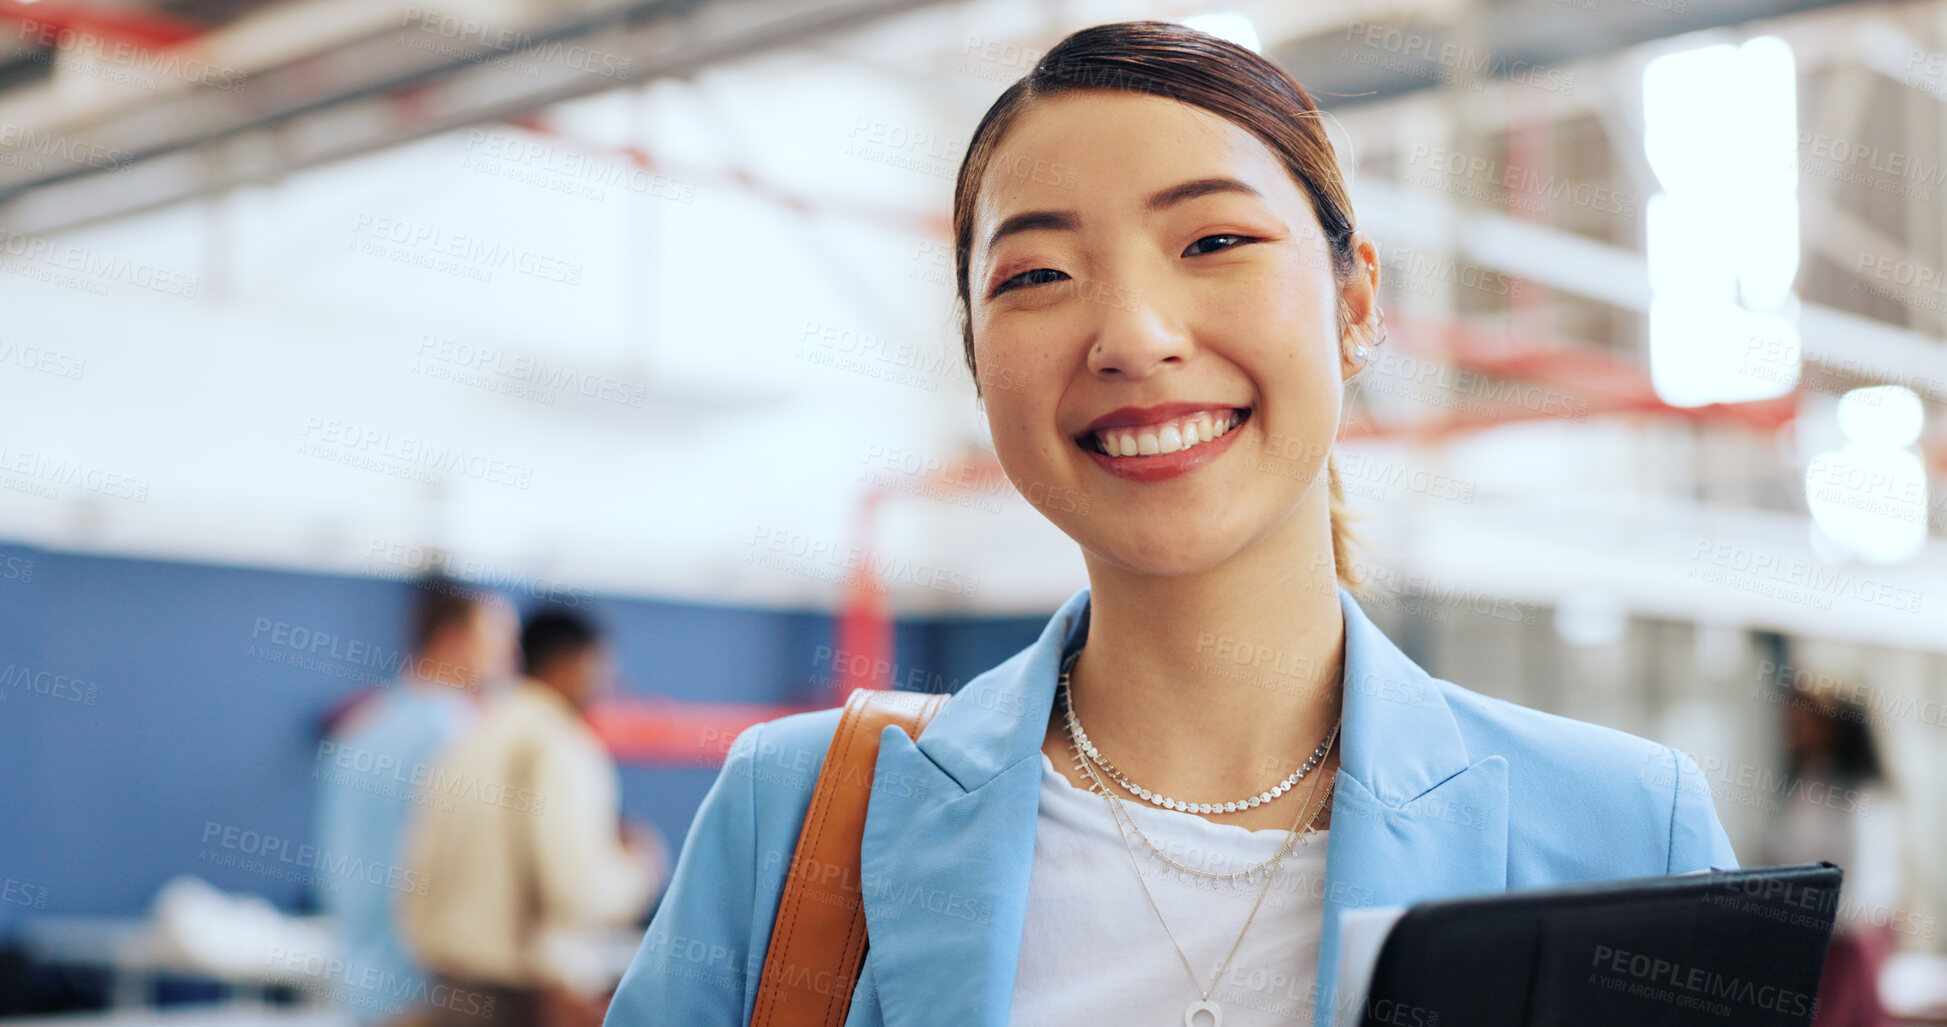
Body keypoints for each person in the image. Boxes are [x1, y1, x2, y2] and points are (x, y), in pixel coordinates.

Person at [606, 21, 1737, 1027]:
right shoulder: (798, 819)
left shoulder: (1628, 835)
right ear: (975, 355)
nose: (1133, 336)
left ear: (1355, 305)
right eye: (1038, 273)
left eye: (1213, 243)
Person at [401, 608, 664, 1027]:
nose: (606, 688)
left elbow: (416, 875)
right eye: (602, 672)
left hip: (451, 991)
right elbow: (577, 891)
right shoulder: (560, 748)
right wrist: (639, 869)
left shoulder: (469, 738)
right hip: (522, 1001)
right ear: (574, 665)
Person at [315, 580, 518, 1025]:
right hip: (431, 989)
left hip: (362, 985)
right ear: (451, 640)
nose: (507, 662)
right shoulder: (462, 737)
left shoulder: (363, 728)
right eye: (497, 644)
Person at [1764, 687, 1903, 1027]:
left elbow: (1865, 883)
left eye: (1808, 718)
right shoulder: (1808, 779)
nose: (1797, 727)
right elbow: (1781, 849)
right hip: (1806, 930)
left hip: (1846, 939)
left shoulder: (1866, 796)